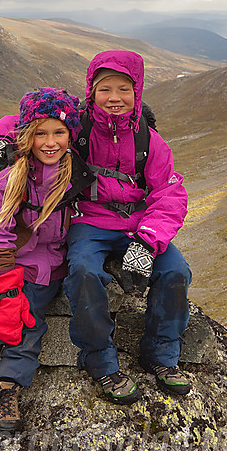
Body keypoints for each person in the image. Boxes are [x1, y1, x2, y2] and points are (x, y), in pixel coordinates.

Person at [64, 50, 192, 403]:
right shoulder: (77, 127)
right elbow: (25, 120)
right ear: (91, 90)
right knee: (84, 273)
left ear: (137, 92)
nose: (115, 98)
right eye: (105, 89)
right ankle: (101, 361)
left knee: (176, 272)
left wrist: (147, 242)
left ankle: (161, 357)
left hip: (138, 224)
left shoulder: (149, 140)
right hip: (88, 220)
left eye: (124, 89)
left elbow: (169, 194)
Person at [0, 87, 82, 433]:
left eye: (59, 132)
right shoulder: (7, 179)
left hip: (52, 269)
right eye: (39, 133)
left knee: (31, 329)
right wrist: (5, 279)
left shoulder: (75, 174)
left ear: (71, 135)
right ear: (25, 136)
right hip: (12, 267)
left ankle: (7, 386)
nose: (50, 142)